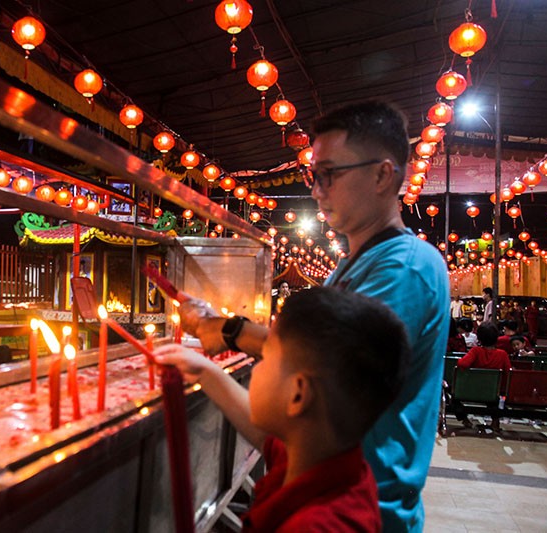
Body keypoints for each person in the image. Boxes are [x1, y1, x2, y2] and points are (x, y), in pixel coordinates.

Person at [176, 101, 449, 532]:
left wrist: (229, 331)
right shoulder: (353, 264)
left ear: (383, 175)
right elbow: (293, 425)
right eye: (313, 176)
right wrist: (206, 368)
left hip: (371, 511)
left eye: (329, 174)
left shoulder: (404, 268)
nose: (317, 190)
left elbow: (323, 364)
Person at [155, 287, 411, 532]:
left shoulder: (315, 526)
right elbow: (266, 439)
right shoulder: (317, 459)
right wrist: (204, 372)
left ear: (298, 394)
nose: (257, 368)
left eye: (265, 357)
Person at [455, 323, 511, 431]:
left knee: (453, 398)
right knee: (495, 401)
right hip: (492, 392)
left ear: (479, 338)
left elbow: (462, 364)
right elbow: (508, 373)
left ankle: (465, 419)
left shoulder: (476, 351)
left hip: (471, 390)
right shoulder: (502, 354)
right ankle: (495, 421)